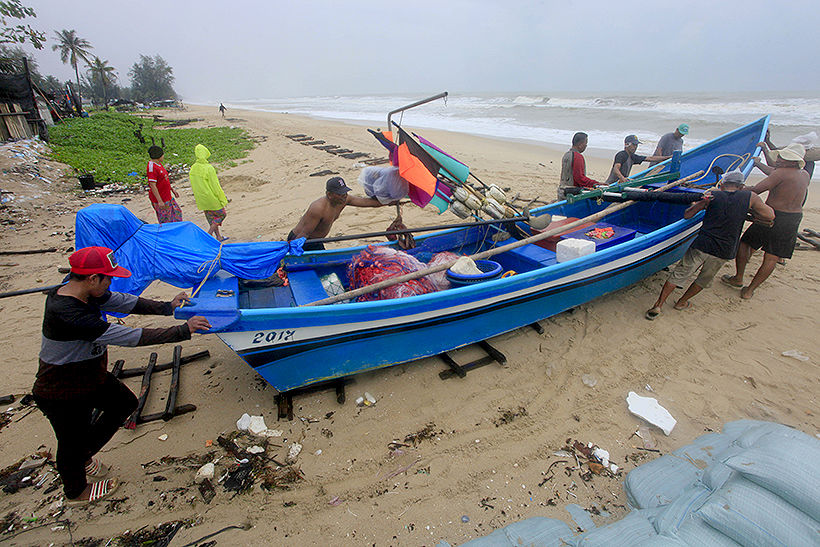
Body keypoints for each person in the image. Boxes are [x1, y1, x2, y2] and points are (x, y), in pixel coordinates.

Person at [33, 246, 211, 505]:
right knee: (70, 440)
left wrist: (167, 307)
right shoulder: (69, 314)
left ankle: (83, 456)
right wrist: (183, 330)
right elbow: (129, 337)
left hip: (89, 375)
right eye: (109, 277)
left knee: (124, 404)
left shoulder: (86, 292)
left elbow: (125, 302)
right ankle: (76, 492)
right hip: (61, 386)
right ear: (93, 279)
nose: (111, 282)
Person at [645, 170, 773, 320]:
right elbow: (769, 216)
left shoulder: (713, 195)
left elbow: (688, 214)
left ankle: (658, 305)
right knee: (704, 278)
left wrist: (702, 203)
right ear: (741, 186)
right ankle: (682, 302)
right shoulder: (750, 197)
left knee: (679, 274)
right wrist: (749, 212)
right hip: (725, 248)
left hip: (703, 243)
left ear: (723, 184)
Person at [722, 143, 809, 299]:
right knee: (772, 256)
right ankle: (749, 291)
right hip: (793, 218)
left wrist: (734, 188)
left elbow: (757, 189)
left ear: (792, 161)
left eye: (783, 158)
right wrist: (757, 163)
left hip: (772, 215)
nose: (780, 159)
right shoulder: (804, 174)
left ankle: (738, 278)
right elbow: (775, 173)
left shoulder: (780, 173)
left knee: (745, 243)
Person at [287, 176, 388, 251]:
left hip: (317, 241)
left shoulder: (344, 200)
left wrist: (389, 202)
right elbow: (305, 233)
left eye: (345, 192)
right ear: (329, 195)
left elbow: (366, 202)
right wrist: (291, 250)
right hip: (302, 240)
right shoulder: (318, 208)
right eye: (340, 194)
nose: (344, 196)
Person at [189, 144, 228, 240]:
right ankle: (208, 234)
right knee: (221, 214)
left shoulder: (193, 168)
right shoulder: (208, 168)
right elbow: (215, 185)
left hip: (201, 199)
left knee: (211, 218)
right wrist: (221, 198)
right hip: (211, 198)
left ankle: (218, 237)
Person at [604, 135, 670, 185]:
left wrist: (668, 157)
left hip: (622, 184)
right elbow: (616, 169)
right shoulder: (621, 155)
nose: (635, 147)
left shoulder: (633, 157)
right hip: (611, 184)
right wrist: (622, 178)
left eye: (636, 145)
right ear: (627, 144)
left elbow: (650, 158)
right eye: (634, 145)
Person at [557, 132, 599, 199]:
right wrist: (596, 184)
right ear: (580, 144)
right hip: (570, 192)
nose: (586, 146)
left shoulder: (566, 155)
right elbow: (580, 178)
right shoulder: (578, 156)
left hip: (561, 189)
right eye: (586, 143)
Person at [146, 145, 182, 224]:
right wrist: (160, 201)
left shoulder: (159, 164)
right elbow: (152, 185)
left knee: (177, 214)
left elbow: (165, 179)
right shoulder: (152, 168)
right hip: (161, 198)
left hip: (167, 196)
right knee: (166, 220)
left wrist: (172, 189)